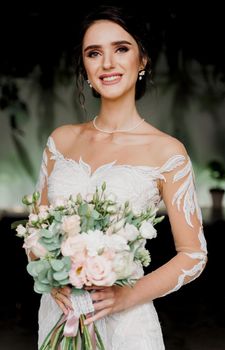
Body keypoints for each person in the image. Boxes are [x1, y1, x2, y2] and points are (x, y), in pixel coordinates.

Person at [35, 5, 207, 349]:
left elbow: (193, 254)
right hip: (59, 314)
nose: (107, 63)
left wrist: (126, 296)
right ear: (84, 66)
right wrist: (51, 277)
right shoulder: (60, 141)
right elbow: (36, 232)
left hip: (127, 325)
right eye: (94, 53)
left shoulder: (167, 152)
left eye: (121, 49)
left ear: (142, 59)